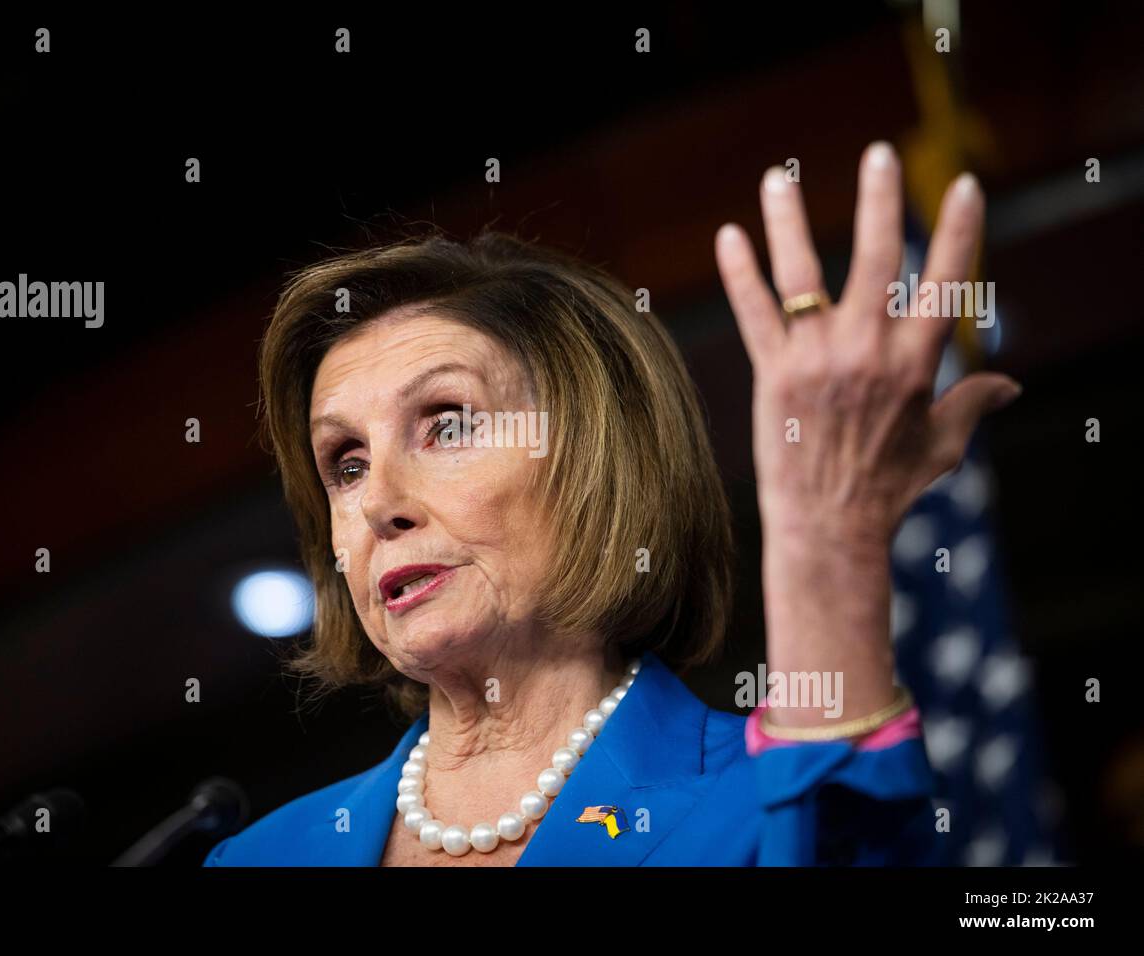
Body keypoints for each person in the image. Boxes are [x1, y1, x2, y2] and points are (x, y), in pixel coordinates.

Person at [203, 141, 1021, 866]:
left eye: (446, 424)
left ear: (598, 456)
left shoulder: (774, 801)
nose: (378, 501)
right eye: (344, 463)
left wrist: (829, 545)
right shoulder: (256, 856)